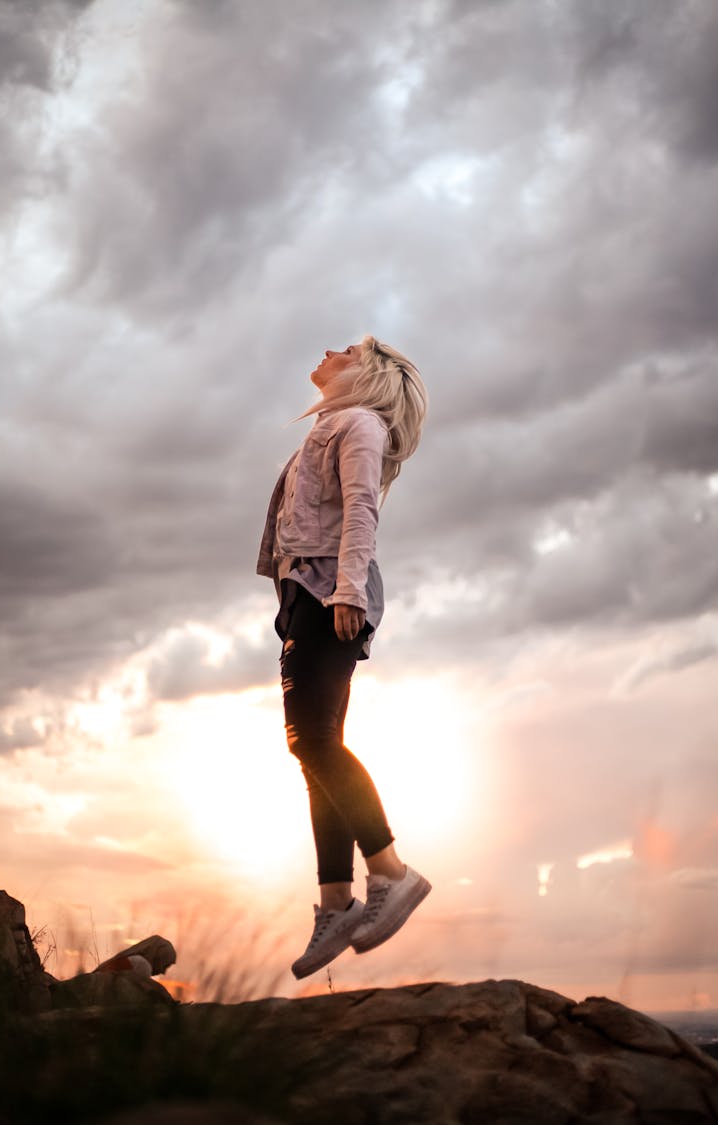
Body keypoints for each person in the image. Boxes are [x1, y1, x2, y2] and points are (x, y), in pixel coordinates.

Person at [256, 336, 431, 980]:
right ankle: (337, 901)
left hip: (331, 589)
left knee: (311, 741)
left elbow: (362, 507)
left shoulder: (358, 423)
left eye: (349, 349)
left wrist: (348, 590)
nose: (331, 349)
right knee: (315, 749)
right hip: (309, 590)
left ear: (371, 374)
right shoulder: (336, 424)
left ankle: (391, 872)